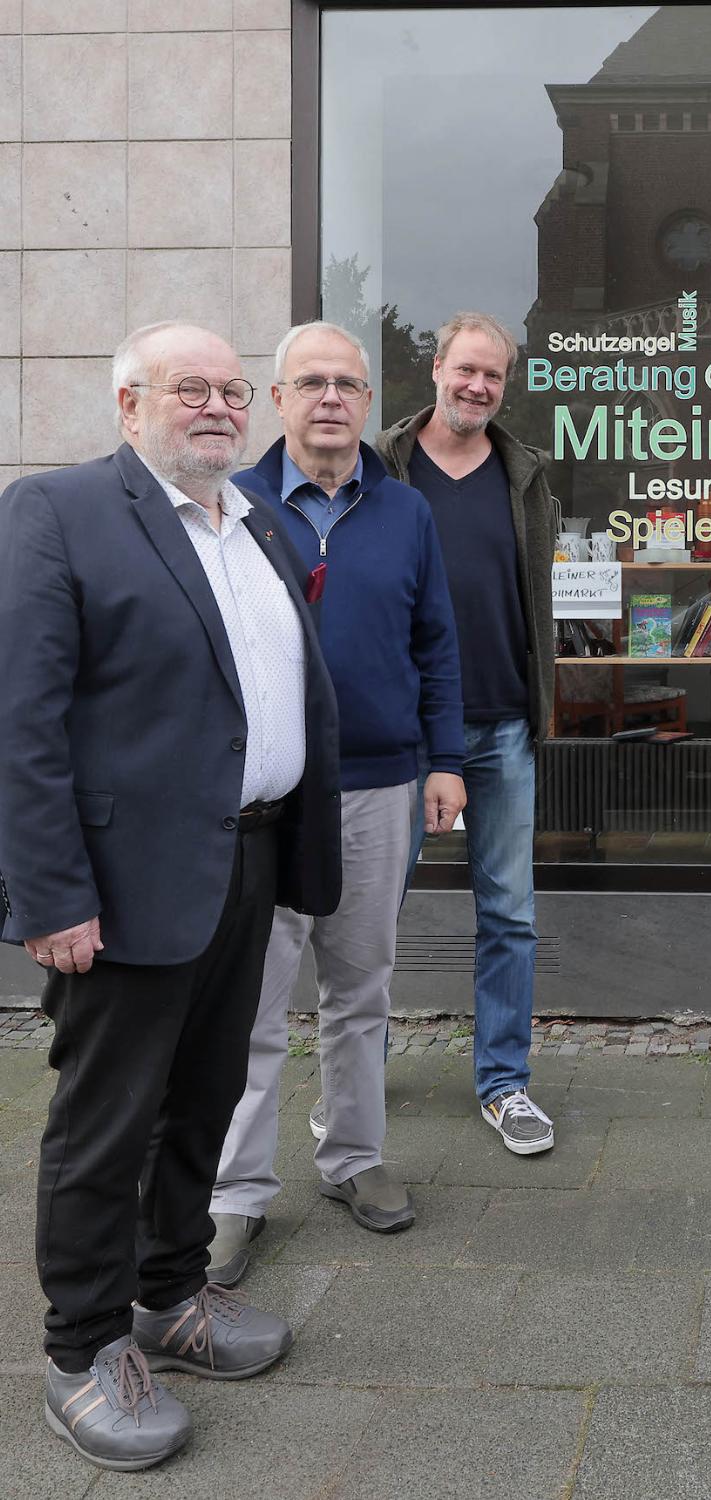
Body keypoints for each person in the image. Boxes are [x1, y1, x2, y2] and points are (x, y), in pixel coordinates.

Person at [0, 322, 341, 1471]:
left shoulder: (257, 525)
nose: (216, 406)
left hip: (244, 860)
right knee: (106, 1123)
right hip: (122, 881)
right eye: (186, 387)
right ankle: (83, 1348)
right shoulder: (59, 514)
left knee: (204, 1099)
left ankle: (171, 1293)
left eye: (231, 390)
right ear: (127, 404)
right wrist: (50, 895)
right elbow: (22, 725)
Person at [207, 322, 466, 1279]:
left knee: (360, 988)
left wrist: (447, 760)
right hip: (264, 799)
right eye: (308, 382)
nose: (328, 398)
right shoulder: (228, 508)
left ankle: (354, 1158)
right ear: (275, 400)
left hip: (378, 784)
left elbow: (437, 645)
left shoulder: (406, 515)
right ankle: (234, 1194)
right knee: (255, 999)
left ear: (368, 401)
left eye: (346, 384)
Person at [374, 312, 558, 1154]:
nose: (479, 386)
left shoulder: (524, 477)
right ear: (436, 367)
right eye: (466, 370)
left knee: (510, 914)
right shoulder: (382, 470)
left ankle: (504, 1084)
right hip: (400, 735)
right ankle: (353, 1076)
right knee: (371, 913)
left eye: (494, 376)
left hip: (502, 726)